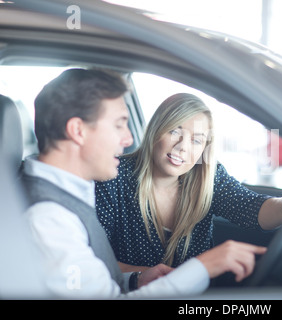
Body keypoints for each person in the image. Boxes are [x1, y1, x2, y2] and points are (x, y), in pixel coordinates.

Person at [20, 68, 266, 298]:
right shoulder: (48, 217)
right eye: (119, 125)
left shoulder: (66, 195)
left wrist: (136, 280)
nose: (128, 138)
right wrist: (202, 267)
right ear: (78, 130)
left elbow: (100, 284)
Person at [95, 92, 282, 272]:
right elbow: (93, 260)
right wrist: (145, 276)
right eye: (175, 132)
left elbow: (251, 208)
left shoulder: (207, 176)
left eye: (196, 141)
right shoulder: (114, 176)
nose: (182, 147)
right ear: (156, 130)